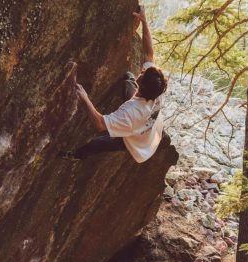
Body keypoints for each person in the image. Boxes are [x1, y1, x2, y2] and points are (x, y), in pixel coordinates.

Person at [61, 5, 168, 163]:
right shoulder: (157, 88)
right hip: (147, 125)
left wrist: (84, 98)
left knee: (97, 143)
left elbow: (100, 124)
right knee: (128, 78)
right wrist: (144, 21)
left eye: (143, 75)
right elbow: (149, 53)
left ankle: (75, 156)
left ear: (143, 86)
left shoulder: (131, 112)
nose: (142, 71)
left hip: (135, 141)